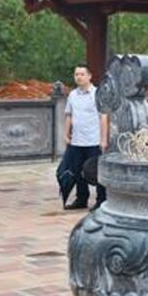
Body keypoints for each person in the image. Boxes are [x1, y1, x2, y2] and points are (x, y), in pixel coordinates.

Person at [63, 64, 109, 212]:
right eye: (76, 74)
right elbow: (69, 115)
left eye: (82, 74)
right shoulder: (72, 95)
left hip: (94, 140)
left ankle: (101, 200)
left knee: (97, 171)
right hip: (77, 140)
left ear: (89, 76)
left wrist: (103, 139)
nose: (79, 77)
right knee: (78, 171)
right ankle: (81, 199)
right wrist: (66, 134)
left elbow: (103, 117)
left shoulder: (97, 94)